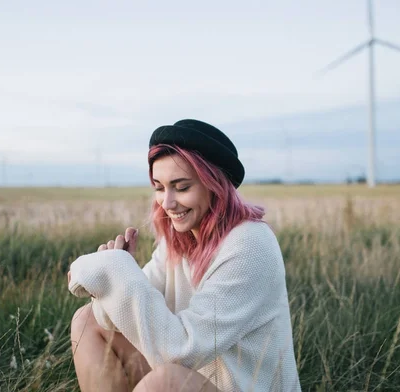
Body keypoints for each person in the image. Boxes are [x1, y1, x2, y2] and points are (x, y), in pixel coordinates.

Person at [68, 119, 301, 392]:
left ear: (214, 184)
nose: (167, 203)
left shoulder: (249, 245)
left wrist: (120, 274)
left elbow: (180, 351)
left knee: (165, 379)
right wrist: (111, 282)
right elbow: (116, 320)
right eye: (159, 187)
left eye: (181, 187)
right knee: (87, 320)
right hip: (196, 379)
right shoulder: (177, 242)